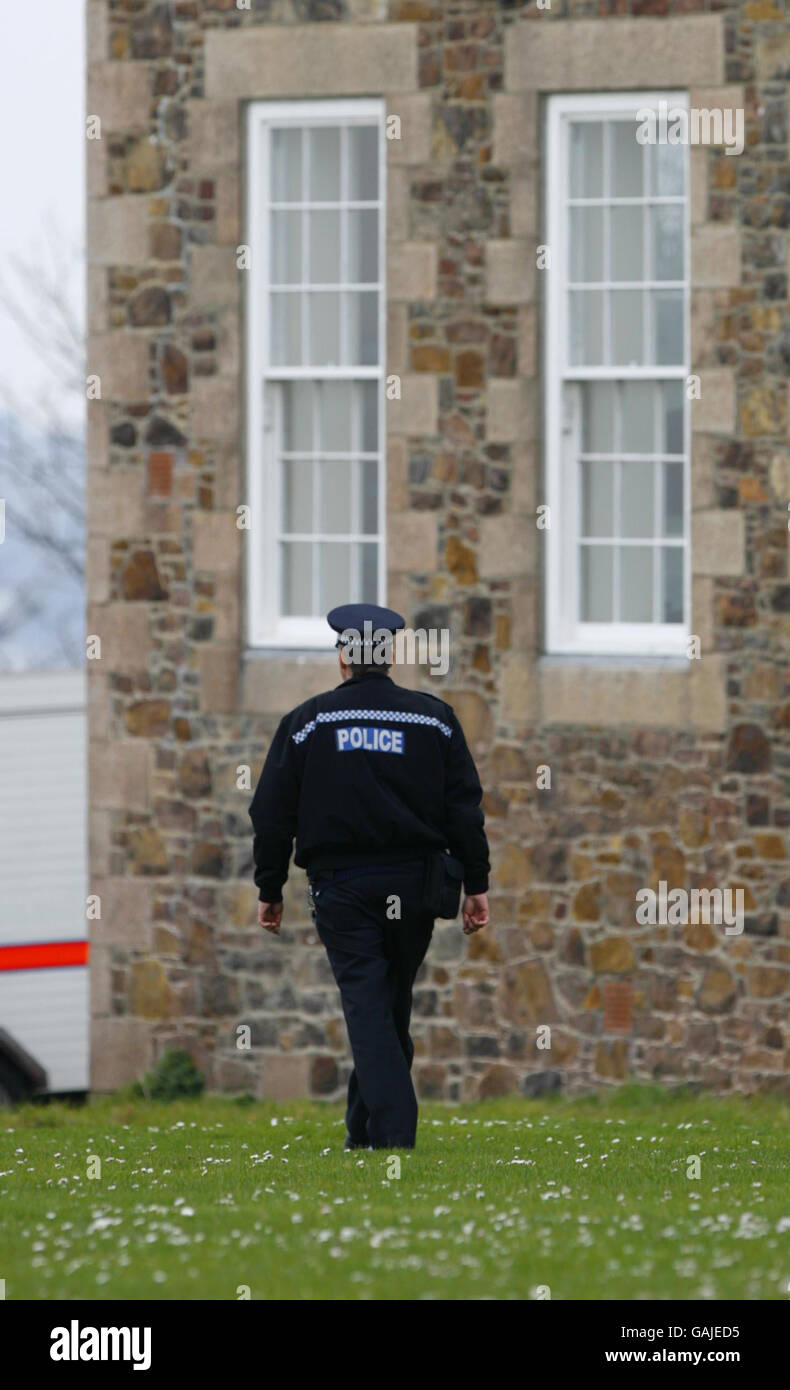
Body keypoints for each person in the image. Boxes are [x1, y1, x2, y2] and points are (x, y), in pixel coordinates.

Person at [248, 603, 490, 1150]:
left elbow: (269, 814)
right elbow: (465, 811)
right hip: (416, 885)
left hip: (342, 889)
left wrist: (270, 887)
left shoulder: (308, 722)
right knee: (387, 1005)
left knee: (368, 1005)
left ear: (343, 659)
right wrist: (477, 884)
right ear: (390, 656)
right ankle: (364, 1135)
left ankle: (394, 1137)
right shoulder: (434, 719)